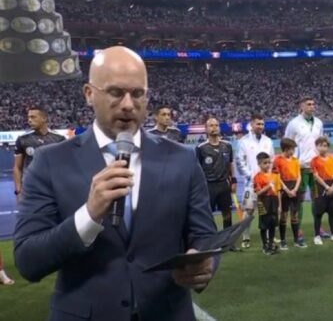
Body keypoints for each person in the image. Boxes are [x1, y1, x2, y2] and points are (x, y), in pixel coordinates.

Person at [13, 46, 218, 321]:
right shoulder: (49, 162)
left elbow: (204, 234)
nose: (128, 104)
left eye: (137, 93)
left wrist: (204, 262)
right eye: (115, 92)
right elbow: (28, 261)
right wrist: (88, 215)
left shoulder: (181, 159)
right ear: (89, 93)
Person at [283, 96, 326, 238]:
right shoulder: (293, 124)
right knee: (298, 201)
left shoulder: (319, 122)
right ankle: (297, 228)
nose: (312, 106)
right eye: (308, 104)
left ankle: (318, 227)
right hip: (300, 167)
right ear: (301, 106)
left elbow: (321, 143)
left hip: (315, 167)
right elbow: (287, 143)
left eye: (313, 104)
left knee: (317, 199)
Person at [236, 113, 274, 249]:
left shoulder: (268, 141)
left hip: (265, 183)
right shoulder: (244, 141)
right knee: (248, 210)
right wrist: (250, 176)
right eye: (258, 124)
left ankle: (269, 236)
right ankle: (246, 237)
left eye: (262, 124)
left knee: (267, 210)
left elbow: (272, 160)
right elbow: (240, 162)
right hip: (250, 184)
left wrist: (268, 177)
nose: (260, 126)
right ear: (251, 124)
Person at [13, 106, 65, 203]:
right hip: (30, 189)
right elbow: (17, 167)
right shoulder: (23, 139)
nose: (29, 120)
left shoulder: (59, 139)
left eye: (33, 117)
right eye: (28, 117)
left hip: (53, 189)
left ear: (44, 118)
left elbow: (64, 166)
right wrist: (18, 191)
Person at [196, 118, 237, 234]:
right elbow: (197, 169)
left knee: (227, 213)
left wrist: (233, 180)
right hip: (208, 185)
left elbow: (230, 164)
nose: (214, 128)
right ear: (206, 129)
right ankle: (211, 238)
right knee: (208, 214)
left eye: (216, 125)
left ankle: (228, 239)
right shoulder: (201, 148)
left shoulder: (227, 145)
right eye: (211, 126)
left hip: (224, 184)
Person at [272, 138, 306, 249]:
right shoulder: (277, 160)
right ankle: (283, 241)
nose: (293, 151)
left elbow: (299, 175)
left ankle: (296, 240)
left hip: (295, 188)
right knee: (283, 216)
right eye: (292, 149)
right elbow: (277, 177)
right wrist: (286, 189)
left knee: (294, 216)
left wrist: (295, 189)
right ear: (286, 149)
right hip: (284, 189)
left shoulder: (295, 160)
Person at [310, 137, 333, 245]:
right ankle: (317, 236)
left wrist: (332, 186)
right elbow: (316, 176)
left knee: (332, 213)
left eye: (324, 145)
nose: (322, 148)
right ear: (317, 147)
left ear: (328, 147)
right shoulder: (314, 161)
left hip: (332, 186)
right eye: (320, 146)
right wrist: (326, 187)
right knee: (318, 214)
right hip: (320, 187)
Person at [252, 152, 281, 255]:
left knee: (273, 224)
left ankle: (271, 244)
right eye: (265, 163)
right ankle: (264, 245)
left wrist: (279, 206)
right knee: (264, 225)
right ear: (259, 164)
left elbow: (278, 191)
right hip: (263, 203)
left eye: (269, 162)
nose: (268, 165)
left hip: (274, 201)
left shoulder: (275, 176)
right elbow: (258, 192)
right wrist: (268, 186)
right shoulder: (257, 177)